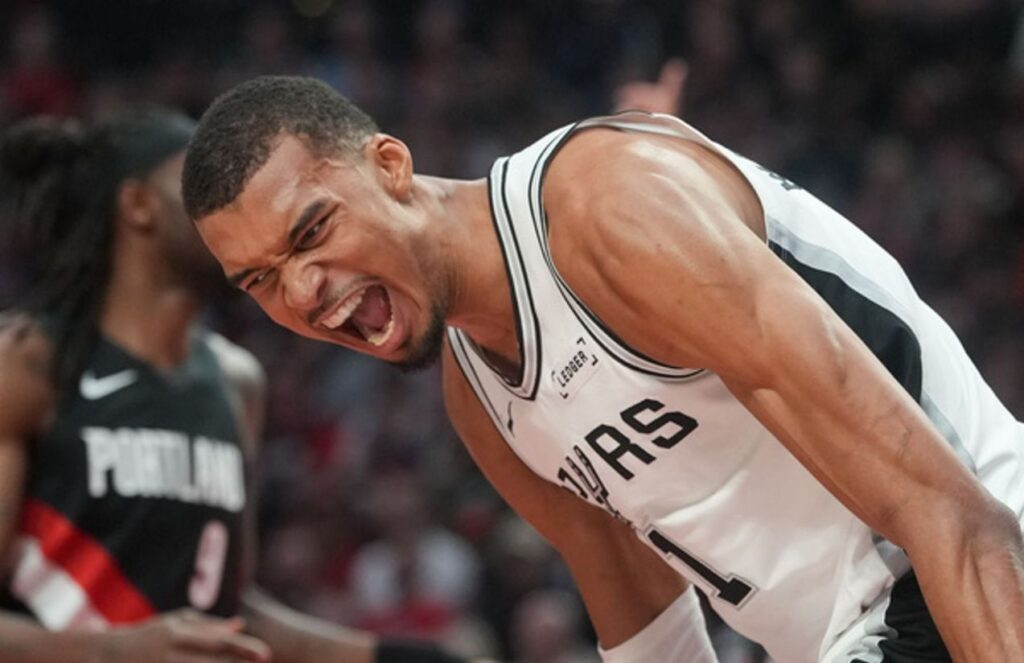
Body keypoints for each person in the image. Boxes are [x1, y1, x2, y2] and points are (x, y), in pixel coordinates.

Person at [182, 75, 1024, 663]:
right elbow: (655, 638)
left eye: (311, 231)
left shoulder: (606, 216)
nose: (299, 291)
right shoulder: (479, 400)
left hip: (973, 568)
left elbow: (948, 507)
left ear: (391, 167)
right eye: (258, 279)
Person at [0, 109, 477, 663]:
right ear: (138, 206)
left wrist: (402, 658)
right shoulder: (26, 364)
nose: (228, 207)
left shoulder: (236, 381)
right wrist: (112, 652)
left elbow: (229, 616)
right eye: (195, 188)